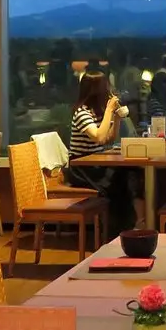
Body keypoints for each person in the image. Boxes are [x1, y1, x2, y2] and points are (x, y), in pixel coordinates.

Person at [62, 71, 144, 236]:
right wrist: (108, 110)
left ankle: (130, 226)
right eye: (105, 87)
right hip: (81, 168)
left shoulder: (96, 111)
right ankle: (117, 232)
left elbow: (108, 138)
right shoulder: (82, 112)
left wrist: (117, 118)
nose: (109, 90)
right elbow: (99, 137)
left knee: (133, 172)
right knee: (117, 181)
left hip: (96, 163)